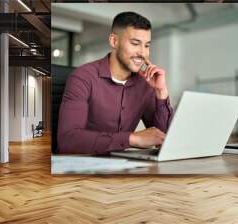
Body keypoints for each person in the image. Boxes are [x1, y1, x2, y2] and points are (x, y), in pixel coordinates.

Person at [57, 12, 173, 154]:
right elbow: (68, 141)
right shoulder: (82, 78)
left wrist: (161, 92)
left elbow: (164, 139)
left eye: (147, 45)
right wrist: (132, 139)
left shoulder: (145, 84)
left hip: (121, 165)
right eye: (135, 43)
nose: (143, 53)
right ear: (114, 41)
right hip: (79, 166)